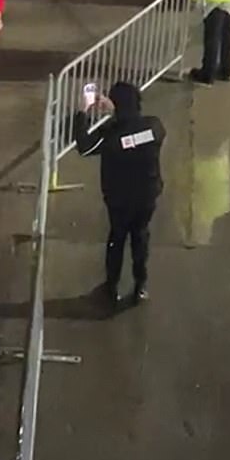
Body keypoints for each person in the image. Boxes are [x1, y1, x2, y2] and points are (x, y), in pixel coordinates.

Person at [75, 81, 166, 306]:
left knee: (117, 239)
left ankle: (112, 286)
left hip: (119, 200)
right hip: (147, 196)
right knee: (140, 237)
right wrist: (116, 111)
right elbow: (134, 136)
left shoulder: (111, 137)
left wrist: (82, 112)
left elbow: (84, 146)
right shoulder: (155, 127)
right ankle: (140, 286)